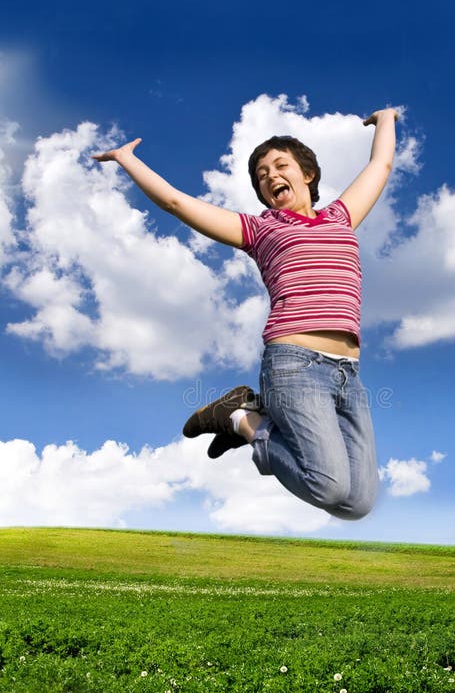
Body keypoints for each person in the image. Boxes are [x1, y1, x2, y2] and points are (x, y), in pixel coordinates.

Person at [92, 107, 399, 519]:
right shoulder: (260, 230)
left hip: (349, 372)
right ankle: (240, 418)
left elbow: (380, 164)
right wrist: (127, 159)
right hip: (295, 364)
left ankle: (248, 415)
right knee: (327, 485)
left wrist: (386, 120)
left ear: (307, 174)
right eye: (261, 175)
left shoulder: (341, 217)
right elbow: (175, 202)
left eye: (280, 165)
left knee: (356, 503)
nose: (271, 176)